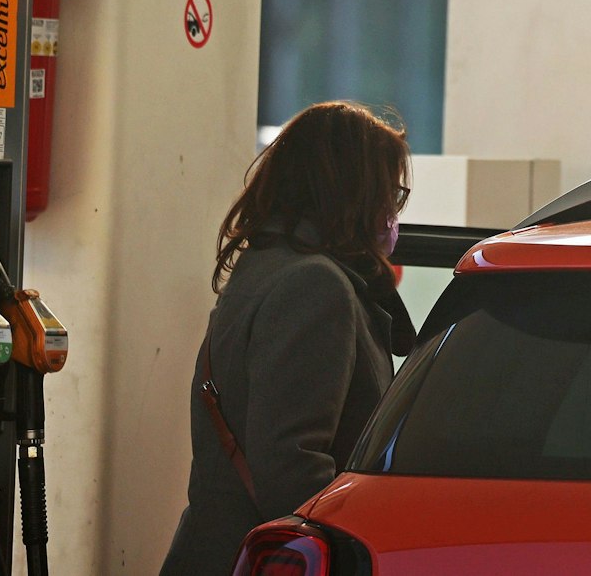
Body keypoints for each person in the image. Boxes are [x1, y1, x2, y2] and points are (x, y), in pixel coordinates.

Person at [159, 101, 414, 575]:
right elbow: (291, 467)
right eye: (390, 195)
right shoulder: (317, 286)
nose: (392, 214)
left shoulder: (268, 265)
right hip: (263, 561)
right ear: (353, 193)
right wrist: (365, 548)